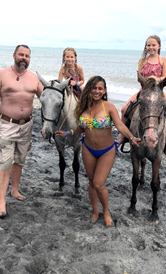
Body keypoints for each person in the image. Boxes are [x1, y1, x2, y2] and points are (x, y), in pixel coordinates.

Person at [56, 76, 141, 227]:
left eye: (100, 88)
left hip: (106, 151)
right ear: (89, 90)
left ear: (104, 91)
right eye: (94, 88)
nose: (97, 91)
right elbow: (82, 127)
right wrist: (68, 133)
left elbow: (120, 126)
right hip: (88, 149)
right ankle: (95, 211)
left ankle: (106, 211)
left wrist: (132, 137)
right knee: (90, 182)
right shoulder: (83, 107)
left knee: (98, 183)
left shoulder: (108, 107)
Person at [0, 44, 43, 218]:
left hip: (27, 126)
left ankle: (15, 190)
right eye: (21, 54)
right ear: (14, 55)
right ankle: (2, 202)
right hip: (7, 124)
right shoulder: (1, 75)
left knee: (19, 160)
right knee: (4, 163)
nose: (24, 58)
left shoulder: (34, 78)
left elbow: (47, 99)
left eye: (27, 56)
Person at [118, 35, 166, 152]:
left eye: (153, 45)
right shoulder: (142, 61)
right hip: (144, 90)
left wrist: (156, 79)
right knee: (124, 109)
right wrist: (147, 80)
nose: (151, 47)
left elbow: (165, 76)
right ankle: (122, 136)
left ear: (159, 46)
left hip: (158, 91)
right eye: (148, 45)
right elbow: (139, 78)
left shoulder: (163, 60)